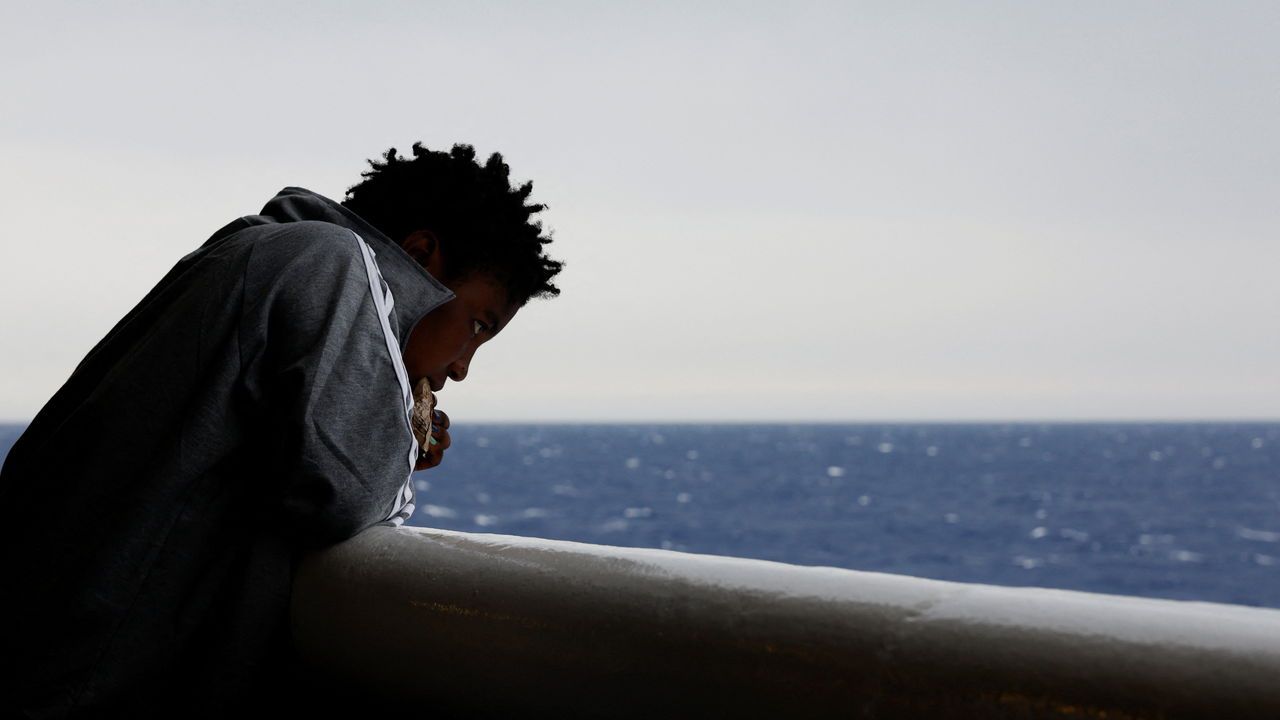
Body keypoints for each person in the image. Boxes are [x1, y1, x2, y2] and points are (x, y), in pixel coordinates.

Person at [0, 142, 563, 717]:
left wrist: (385, 420)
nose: (464, 365)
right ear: (419, 254)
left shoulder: (261, 250)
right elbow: (343, 493)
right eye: (476, 324)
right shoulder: (332, 260)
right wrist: (391, 434)